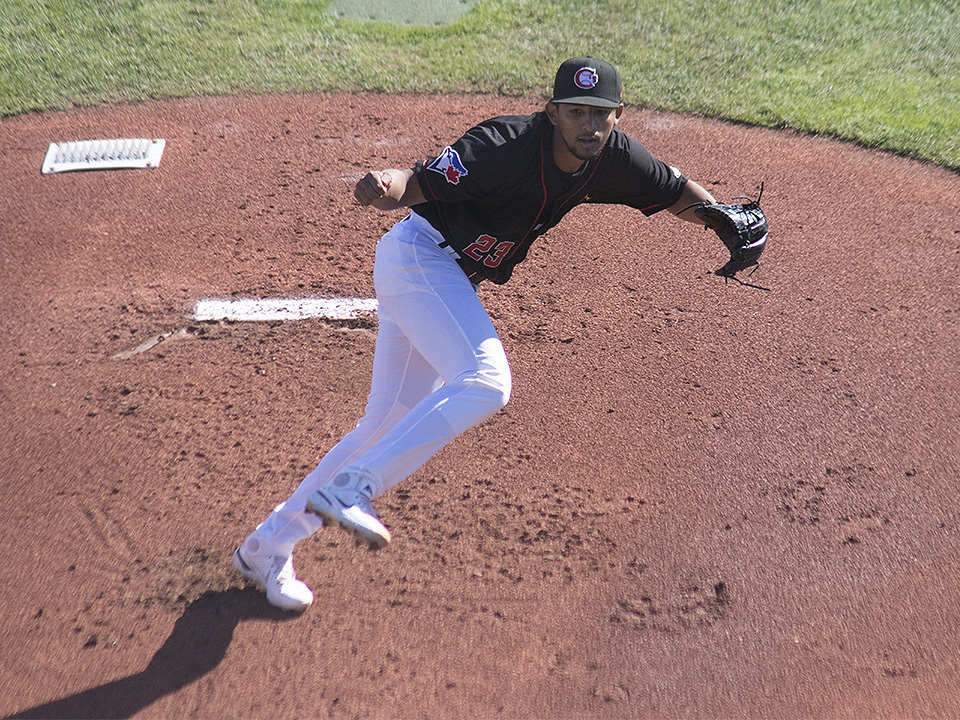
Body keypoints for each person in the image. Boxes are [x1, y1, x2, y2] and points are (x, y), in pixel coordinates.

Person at [233, 57, 721, 610]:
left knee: (384, 423)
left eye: (600, 114)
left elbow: (675, 191)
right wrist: (385, 183)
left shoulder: (613, 157)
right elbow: (414, 184)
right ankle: (355, 486)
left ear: (618, 116)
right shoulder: (502, 146)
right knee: (487, 381)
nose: (589, 124)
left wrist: (724, 220)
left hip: (437, 278)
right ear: (553, 112)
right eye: (576, 112)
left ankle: (267, 546)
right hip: (419, 260)